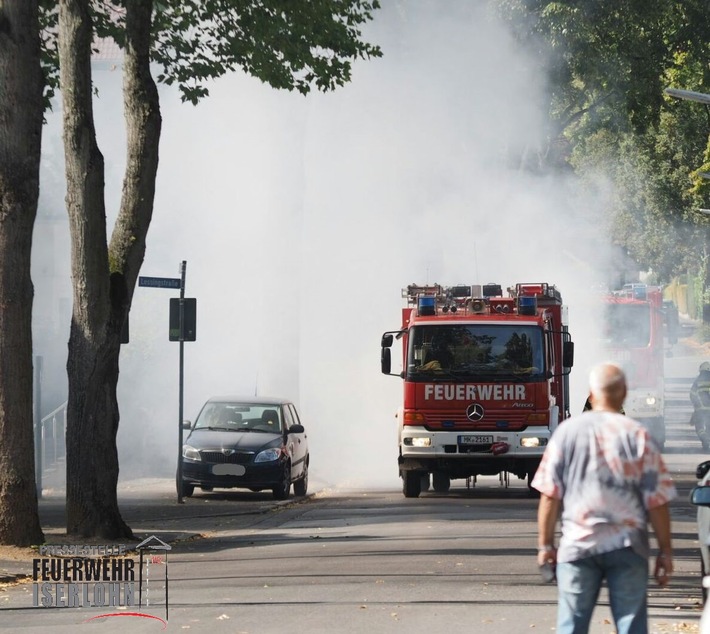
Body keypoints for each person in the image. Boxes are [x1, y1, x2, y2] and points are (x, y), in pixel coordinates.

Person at [532, 362, 676, 634]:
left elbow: (550, 496)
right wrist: (665, 551)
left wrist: (545, 546)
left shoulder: (566, 433)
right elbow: (657, 501)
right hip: (628, 547)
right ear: (624, 393)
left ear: (591, 393)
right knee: (631, 624)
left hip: (577, 546)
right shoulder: (638, 435)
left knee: (572, 625)